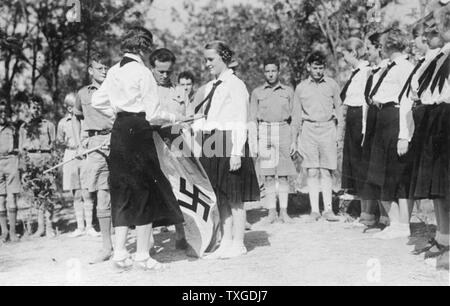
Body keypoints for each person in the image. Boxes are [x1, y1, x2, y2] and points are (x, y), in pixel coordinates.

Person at [91, 26, 184, 270]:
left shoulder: (113, 71)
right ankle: (142, 255)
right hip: (138, 130)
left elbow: (96, 101)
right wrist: (173, 117)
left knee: (121, 191)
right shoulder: (143, 72)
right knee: (144, 190)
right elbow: (153, 115)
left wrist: (118, 113)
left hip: (119, 131)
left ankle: (120, 253)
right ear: (143, 47)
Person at [197, 41, 259, 259]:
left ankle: (239, 242)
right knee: (220, 195)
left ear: (224, 57)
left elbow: (241, 119)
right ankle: (226, 241)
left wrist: (237, 152)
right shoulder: (209, 86)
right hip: (212, 141)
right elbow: (205, 118)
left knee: (235, 196)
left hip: (230, 141)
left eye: (211, 59)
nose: (207, 64)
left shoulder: (236, 84)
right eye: (205, 59)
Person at [362, 28, 415, 240]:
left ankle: (401, 224)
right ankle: (396, 223)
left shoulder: (405, 67)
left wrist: (404, 135)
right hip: (382, 120)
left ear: (392, 43)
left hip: (395, 121)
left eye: (383, 43)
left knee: (396, 175)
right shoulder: (387, 67)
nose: (380, 47)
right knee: (378, 174)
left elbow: (407, 101)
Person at [409, 0, 450, 270]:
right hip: (435, 118)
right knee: (440, 187)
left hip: (446, 117)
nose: (428, 36)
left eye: (437, 28)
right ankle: (444, 238)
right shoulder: (440, 56)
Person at [291, 51, 344, 222]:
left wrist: (339, 134)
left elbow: (340, 109)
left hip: (328, 128)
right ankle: (314, 210)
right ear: (308, 68)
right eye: (315, 68)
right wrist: (294, 139)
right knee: (312, 171)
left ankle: (328, 210)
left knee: (326, 171)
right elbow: (296, 117)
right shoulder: (301, 88)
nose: (319, 71)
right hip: (309, 130)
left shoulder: (332, 85)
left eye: (321, 68)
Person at [72, 52, 113, 263]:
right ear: (91, 71)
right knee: (101, 194)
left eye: (106, 67)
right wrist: (80, 142)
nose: (104, 71)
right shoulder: (83, 93)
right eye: (100, 68)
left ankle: (139, 242)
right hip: (96, 145)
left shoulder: (115, 89)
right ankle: (107, 247)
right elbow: (76, 117)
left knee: (126, 189)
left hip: (118, 141)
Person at [149, 48, 189, 251]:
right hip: (151, 144)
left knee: (178, 187)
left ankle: (181, 233)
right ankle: (148, 240)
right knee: (151, 189)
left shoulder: (179, 91)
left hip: (175, 145)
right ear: (152, 68)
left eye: (168, 72)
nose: (165, 76)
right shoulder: (145, 90)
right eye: (160, 71)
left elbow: (186, 118)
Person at [250, 56, 296, 224]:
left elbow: (295, 117)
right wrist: (254, 141)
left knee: (283, 174)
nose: (270, 74)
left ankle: (283, 211)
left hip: (283, 130)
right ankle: (271, 212)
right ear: (264, 72)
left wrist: (294, 140)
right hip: (265, 130)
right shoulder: (257, 92)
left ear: (278, 71)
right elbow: (252, 118)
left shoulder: (288, 91)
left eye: (273, 71)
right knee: (268, 175)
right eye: (267, 71)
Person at [339, 38, 374, 227]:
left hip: (361, 121)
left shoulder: (366, 72)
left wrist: (363, 129)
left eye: (345, 53)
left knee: (363, 167)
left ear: (353, 52)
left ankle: (368, 214)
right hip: (352, 120)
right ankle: (364, 212)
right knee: (355, 167)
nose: (343, 58)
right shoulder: (356, 73)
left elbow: (365, 103)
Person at [57, 93, 99, 238]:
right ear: (69, 108)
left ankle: (89, 227)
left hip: (87, 154)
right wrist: (70, 145)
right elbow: (60, 140)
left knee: (88, 192)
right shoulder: (62, 123)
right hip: (71, 156)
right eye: (74, 106)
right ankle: (80, 227)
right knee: (76, 194)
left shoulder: (87, 120)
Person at [18, 95, 56, 237]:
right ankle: (40, 227)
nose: (36, 110)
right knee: (37, 195)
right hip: (32, 161)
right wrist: (24, 170)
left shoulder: (49, 125)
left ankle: (50, 227)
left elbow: (54, 146)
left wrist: (54, 165)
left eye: (39, 107)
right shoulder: (24, 127)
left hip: (46, 160)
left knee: (48, 194)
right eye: (33, 107)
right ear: (29, 109)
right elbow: (22, 150)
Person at [0, 99, 21, 243]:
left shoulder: (13, 129)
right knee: (0, 199)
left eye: (4, 112)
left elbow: (19, 146)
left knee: (12, 197)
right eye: (0, 112)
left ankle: (13, 232)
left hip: (11, 162)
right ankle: (4, 232)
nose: (2, 114)